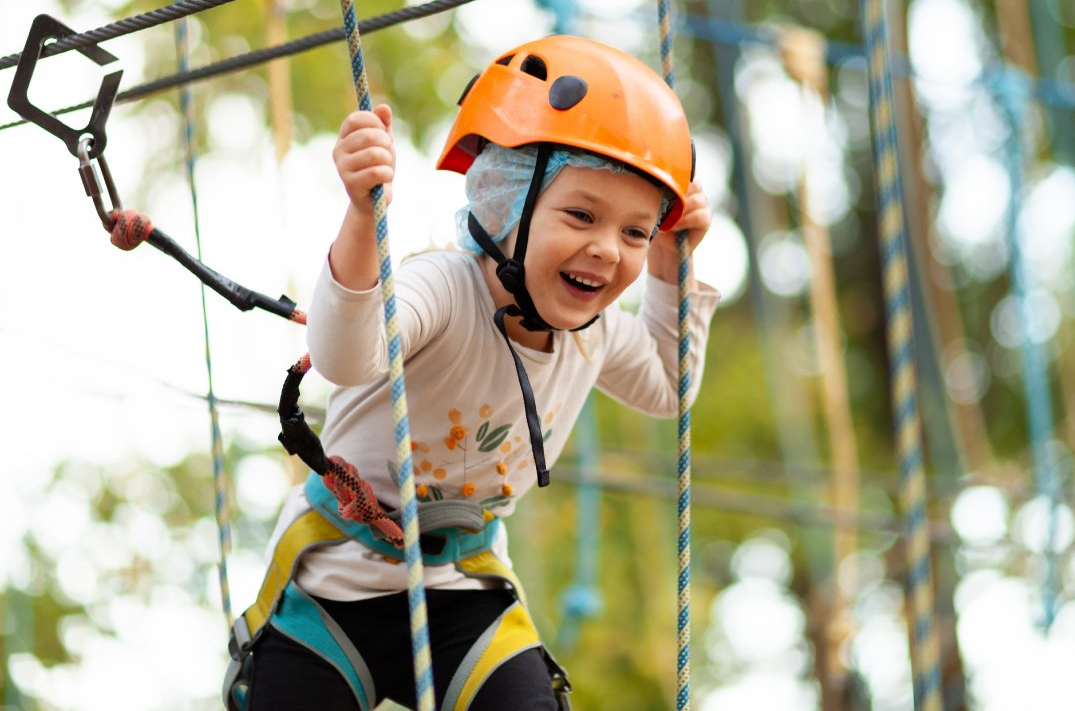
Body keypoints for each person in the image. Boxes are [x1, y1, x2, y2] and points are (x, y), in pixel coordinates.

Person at [225, 35, 720, 711]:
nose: (607, 249)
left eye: (636, 232)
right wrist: (361, 221)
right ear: (505, 206)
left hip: (463, 589)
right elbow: (346, 357)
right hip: (336, 585)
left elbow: (669, 386)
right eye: (581, 214)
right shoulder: (444, 289)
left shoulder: (596, 333)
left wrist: (668, 273)